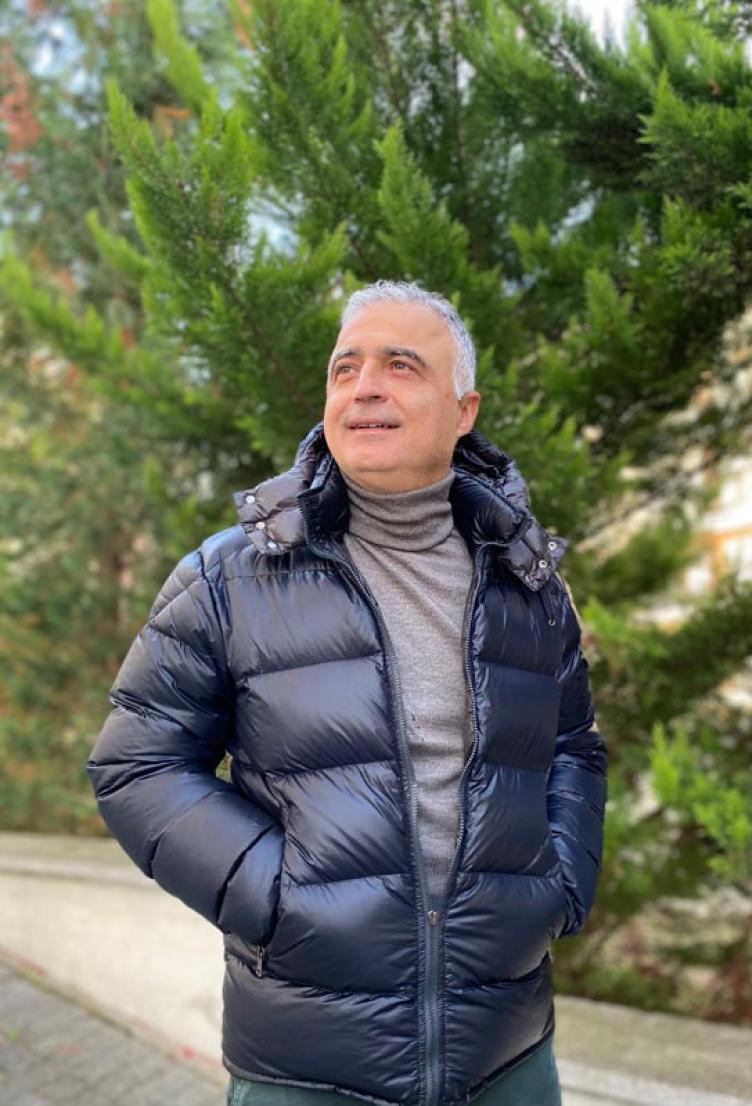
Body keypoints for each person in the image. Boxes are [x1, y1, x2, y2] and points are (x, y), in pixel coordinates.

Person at [85, 279, 608, 1106]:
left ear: (464, 410)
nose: (364, 386)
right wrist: (279, 896)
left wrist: (562, 882)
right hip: (308, 1064)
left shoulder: (528, 584)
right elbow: (137, 765)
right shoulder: (230, 578)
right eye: (345, 368)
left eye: (401, 365)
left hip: (507, 1055)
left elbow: (573, 746)